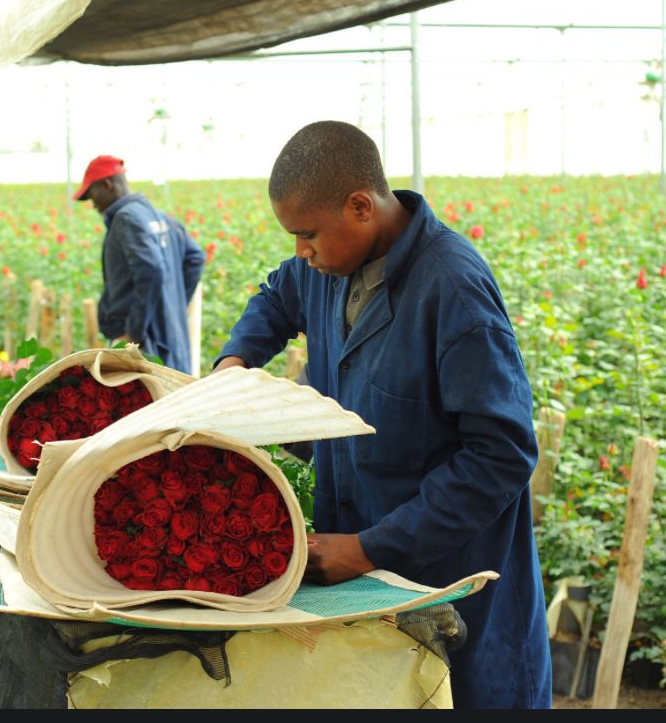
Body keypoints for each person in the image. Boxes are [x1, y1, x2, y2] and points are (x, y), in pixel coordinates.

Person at [212, 121, 551, 709]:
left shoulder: (454, 291)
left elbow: (500, 457)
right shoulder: (329, 267)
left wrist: (368, 548)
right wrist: (235, 361)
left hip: (452, 592)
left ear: (361, 206)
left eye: (307, 234)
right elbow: (277, 294)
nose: (301, 251)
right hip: (365, 586)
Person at [75, 155, 206, 374]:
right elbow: (195, 259)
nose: (93, 205)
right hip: (167, 337)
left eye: (91, 195)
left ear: (106, 185)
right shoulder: (157, 215)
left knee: (150, 404)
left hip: (146, 344)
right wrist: (172, 304)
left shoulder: (127, 219)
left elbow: (151, 271)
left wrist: (133, 334)